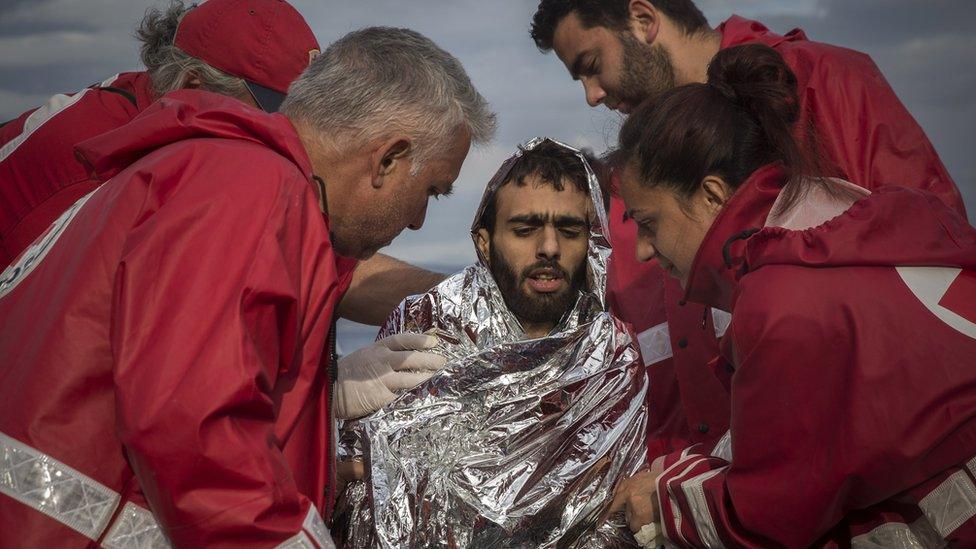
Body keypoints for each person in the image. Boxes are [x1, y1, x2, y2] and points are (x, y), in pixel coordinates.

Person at [0, 26, 496, 547]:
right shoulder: (249, 189)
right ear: (388, 158)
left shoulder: (212, 173)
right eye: (432, 192)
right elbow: (195, 430)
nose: (419, 220)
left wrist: (316, 410)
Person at [529, 0, 967, 461]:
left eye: (591, 66)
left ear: (643, 18)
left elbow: (938, 277)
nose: (591, 95)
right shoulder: (629, 184)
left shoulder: (820, 85)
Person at [609, 43, 976, 547]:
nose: (645, 251)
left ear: (714, 195)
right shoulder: (862, 217)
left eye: (649, 223)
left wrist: (665, 498)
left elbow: (768, 519)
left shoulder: (781, 300)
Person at [0, 0, 443, 323]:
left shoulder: (170, 143)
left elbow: (327, 273)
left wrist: (482, 302)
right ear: (192, 86)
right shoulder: (88, 159)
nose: (290, 140)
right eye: (274, 114)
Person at [333, 139, 647, 547]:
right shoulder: (426, 326)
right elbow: (358, 483)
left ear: (592, 243)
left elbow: (613, 516)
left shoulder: (613, 358)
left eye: (569, 230)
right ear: (484, 241)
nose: (549, 248)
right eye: (525, 229)